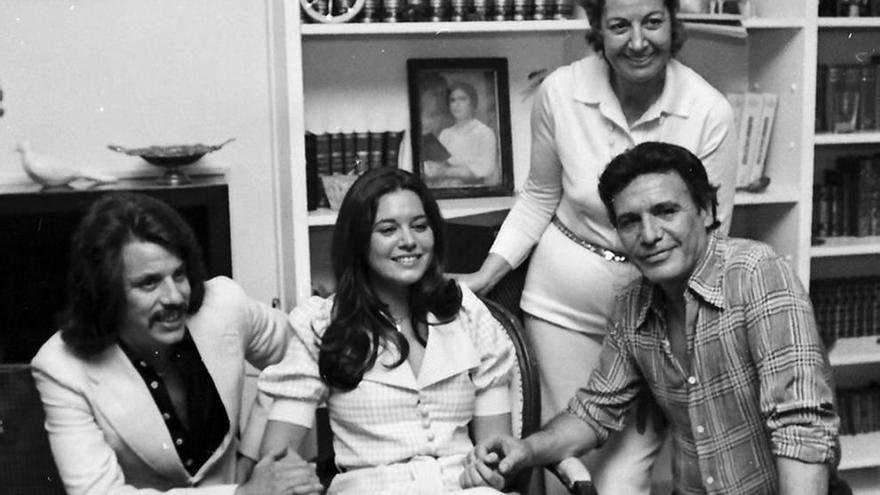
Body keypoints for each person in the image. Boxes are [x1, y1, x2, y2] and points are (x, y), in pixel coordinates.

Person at [456, 0, 737, 492]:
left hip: (651, 317)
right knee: (568, 468)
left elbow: (708, 237)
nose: (637, 41)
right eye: (619, 26)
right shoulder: (560, 91)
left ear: (674, 24)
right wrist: (485, 275)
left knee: (621, 481)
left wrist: (670, 353)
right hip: (559, 311)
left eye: (653, 22)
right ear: (597, 30)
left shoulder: (709, 109)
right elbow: (539, 196)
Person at [470, 142, 840, 495]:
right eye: (630, 221)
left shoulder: (757, 273)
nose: (649, 235)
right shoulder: (633, 305)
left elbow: (801, 426)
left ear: (707, 212)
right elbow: (594, 411)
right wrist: (526, 450)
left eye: (666, 211)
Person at [30, 192, 323, 495]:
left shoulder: (224, 304)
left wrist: (255, 454)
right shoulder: (60, 367)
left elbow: (304, 351)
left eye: (179, 274)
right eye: (149, 283)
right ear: (105, 290)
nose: (174, 297)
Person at [256, 167, 515, 494]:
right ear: (359, 240)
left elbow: (498, 452)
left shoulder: (466, 311)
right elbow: (275, 460)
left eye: (420, 226)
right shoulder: (320, 322)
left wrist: (488, 470)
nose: (409, 241)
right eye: (388, 229)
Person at [425, 81, 499, 187]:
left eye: (462, 99)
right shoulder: (445, 134)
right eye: (453, 100)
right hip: (446, 187)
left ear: (472, 103)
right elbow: (438, 165)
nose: (457, 104)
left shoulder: (485, 133)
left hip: (476, 190)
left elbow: (485, 170)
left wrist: (447, 171)